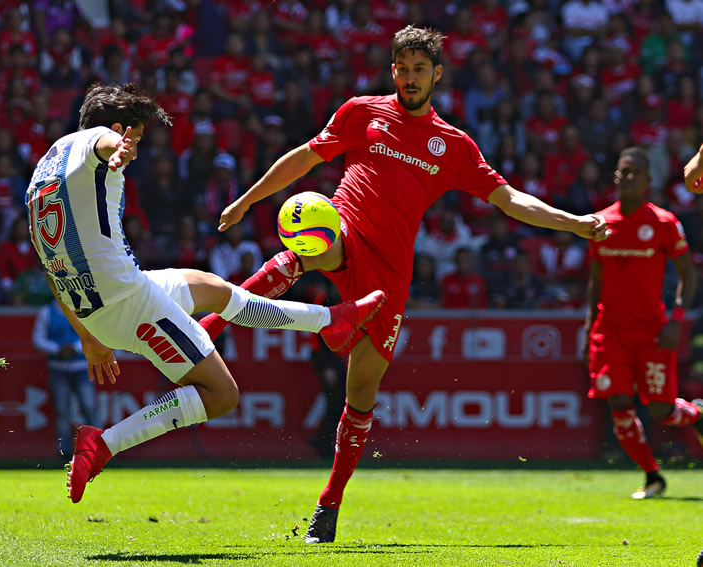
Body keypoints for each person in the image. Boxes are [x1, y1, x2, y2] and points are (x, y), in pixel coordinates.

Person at [198, 25, 610, 544]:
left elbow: (508, 200)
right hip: (343, 228)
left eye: (420, 69)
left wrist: (572, 221)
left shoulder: (453, 145)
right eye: (402, 68)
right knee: (312, 235)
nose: (410, 78)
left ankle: (327, 508)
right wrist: (250, 200)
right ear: (392, 70)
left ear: (437, 74)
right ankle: (211, 327)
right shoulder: (361, 112)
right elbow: (305, 156)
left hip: (389, 274)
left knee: (361, 392)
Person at [25, 83, 385, 504]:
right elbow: (107, 144)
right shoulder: (100, 142)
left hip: (105, 299)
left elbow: (50, 270)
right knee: (221, 395)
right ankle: (104, 444)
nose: (136, 151)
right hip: (126, 303)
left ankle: (329, 323)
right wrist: (117, 148)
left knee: (211, 288)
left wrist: (88, 336)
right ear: (119, 129)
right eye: (136, 139)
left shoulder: (45, 168)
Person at [583, 147, 703, 499]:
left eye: (636, 172)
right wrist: (590, 325)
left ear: (649, 181)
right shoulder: (600, 222)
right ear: (616, 177)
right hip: (611, 331)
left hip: (652, 331)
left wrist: (676, 319)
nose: (629, 177)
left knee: (661, 409)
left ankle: (696, 413)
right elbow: (595, 279)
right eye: (624, 171)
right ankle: (652, 476)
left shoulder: (664, 223)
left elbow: (689, 276)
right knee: (619, 403)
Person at [33, 299, 96, 460]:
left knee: (89, 407)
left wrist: (74, 348)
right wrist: (56, 349)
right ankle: (64, 452)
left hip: (82, 366)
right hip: (58, 368)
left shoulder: (83, 309)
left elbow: (92, 333)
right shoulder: (47, 312)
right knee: (62, 411)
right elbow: (38, 338)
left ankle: (97, 449)